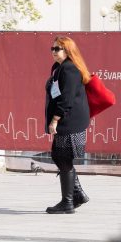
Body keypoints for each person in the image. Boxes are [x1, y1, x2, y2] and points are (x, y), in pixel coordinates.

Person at [44, 36, 91, 214]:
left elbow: (67, 99)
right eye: (53, 48)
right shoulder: (58, 68)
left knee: (62, 157)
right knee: (59, 156)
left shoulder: (70, 69)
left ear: (68, 51)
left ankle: (68, 201)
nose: (54, 52)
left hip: (69, 121)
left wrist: (55, 120)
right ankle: (76, 195)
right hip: (67, 120)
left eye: (58, 49)